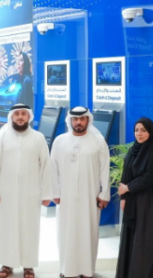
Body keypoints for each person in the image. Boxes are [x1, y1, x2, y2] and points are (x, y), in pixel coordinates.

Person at [0, 104, 52, 278]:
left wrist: (47, 193)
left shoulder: (38, 138)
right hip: (6, 192)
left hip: (31, 193)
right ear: (11, 116)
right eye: (17, 114)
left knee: (29, 228)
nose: (20, 117)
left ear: (29, 117)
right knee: (6, 228)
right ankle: (6, 264)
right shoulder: (2, 136)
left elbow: (46, 166)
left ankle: (28, 265)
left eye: (23, 114)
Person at [50, 106, 110, 278]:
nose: (78, 122)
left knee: (88, 232)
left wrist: (104, 194)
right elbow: (52, 169)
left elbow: (105, 169)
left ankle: (87, 270)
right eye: (75, 119)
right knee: (66, 231)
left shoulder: (98, 141)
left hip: (90, 196)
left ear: (88, 120)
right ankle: (66, 269)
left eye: (82, 119)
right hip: (66, 197)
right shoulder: (59, 141)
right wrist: (55, 192)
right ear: (70, 120)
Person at [115, 118, 153, 278]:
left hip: (150, 201)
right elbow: (125, 174)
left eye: (143, 130)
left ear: (150, 132)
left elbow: (151, 176)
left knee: (145, 240)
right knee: (131, 238)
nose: (139, 133)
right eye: (137, 130)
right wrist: (124, 197)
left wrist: (128, 188)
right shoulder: (133, 150)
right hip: (133, 200)